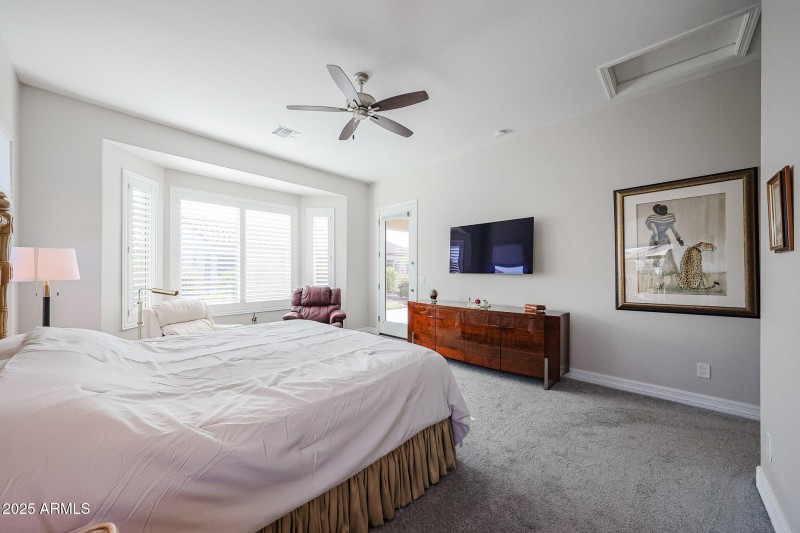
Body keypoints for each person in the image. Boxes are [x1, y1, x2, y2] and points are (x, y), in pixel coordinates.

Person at [645, 203, 684, 288]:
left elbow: (655, 234)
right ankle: (665, 283)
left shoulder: (652, 220)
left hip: (655, 242)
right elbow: (675, 231)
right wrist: (679, 239)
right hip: (666, 241)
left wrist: (655, 245)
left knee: (657, 261)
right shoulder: (669, 220)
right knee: (667, 260)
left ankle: (660, 283)